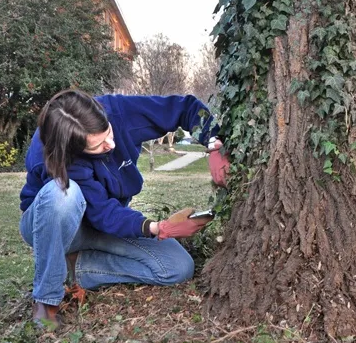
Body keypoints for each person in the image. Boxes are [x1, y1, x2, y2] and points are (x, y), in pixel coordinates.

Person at [19, 89, 230, 328]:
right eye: (98, 146)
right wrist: (154, 226)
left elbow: (185, 108)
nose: (111, 144)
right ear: (73, 148)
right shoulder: (51, 152)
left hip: (101, 225)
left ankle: (77, 268)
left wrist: (213, 144)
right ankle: (46, 300)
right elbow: (102, 213)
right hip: (55, 225)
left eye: (107, 132)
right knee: (63, 194)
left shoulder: (120, 111)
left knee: (177, 267)